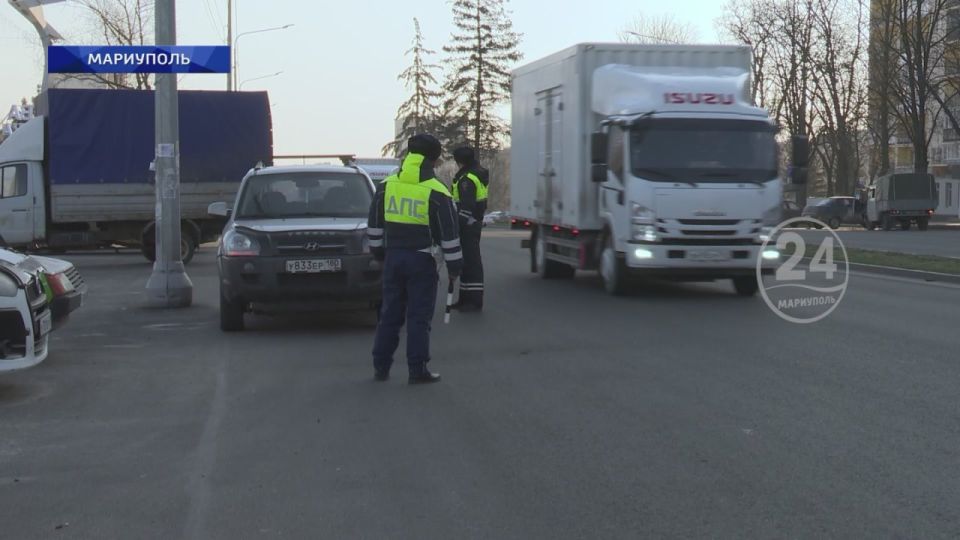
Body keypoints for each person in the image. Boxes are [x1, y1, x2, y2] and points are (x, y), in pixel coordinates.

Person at [367, 134, 463, 384]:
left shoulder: (386, 186)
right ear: (433, 159)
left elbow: (374, 229)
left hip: (393, 258)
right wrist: (455, 268)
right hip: (422, 261)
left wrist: (380, 254)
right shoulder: (437, 191)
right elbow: (449, 236)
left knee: (389, 314)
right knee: (418, 317)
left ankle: (381, 366)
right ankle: (416, 369)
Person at [450, 146, 489, 312]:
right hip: (473, 223)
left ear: (460, 161)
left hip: (468, 225)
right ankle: (465, 298)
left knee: (471, 263)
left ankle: (473, 301)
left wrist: (457, 226)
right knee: (466, 262)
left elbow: (467, 206)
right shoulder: (475, 173)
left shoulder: (467, 179)